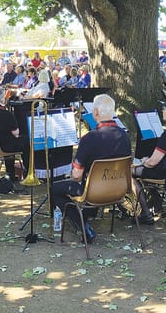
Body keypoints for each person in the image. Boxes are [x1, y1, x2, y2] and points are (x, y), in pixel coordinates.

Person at [50, 93, 131, 243]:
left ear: (95, 113)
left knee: (55, 188)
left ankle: (84, 226)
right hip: (119, 190)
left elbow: (77, 176)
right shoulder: (124, 135)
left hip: (93, 193)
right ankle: (89, 213)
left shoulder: (89, 138)